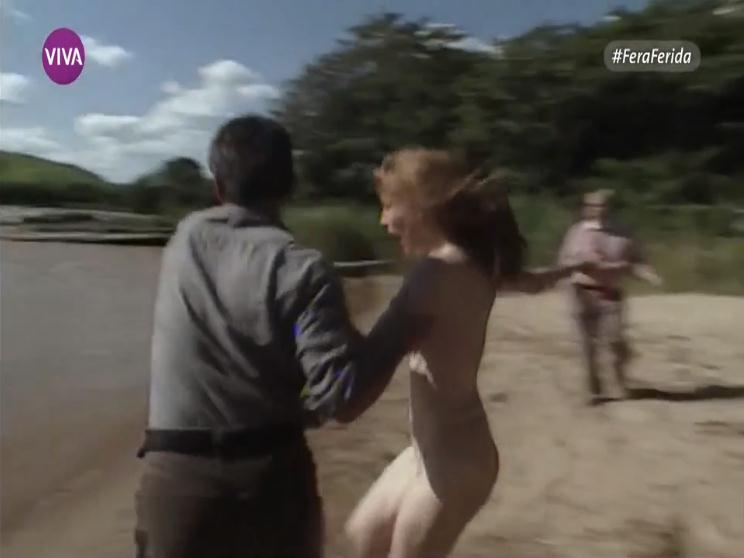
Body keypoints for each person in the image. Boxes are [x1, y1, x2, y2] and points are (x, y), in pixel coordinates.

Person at [134, 115, 427, 558]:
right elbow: (342, 398)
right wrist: (396, 328)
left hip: (175, 482)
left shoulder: (184, 239)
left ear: (218, 186)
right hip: (269, 484)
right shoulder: (302, 270)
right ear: (290, 186)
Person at [344, 148, 593, 558]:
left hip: (455, 463)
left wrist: (304, 320)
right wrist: (574, 267)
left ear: (421, 206)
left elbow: (366, 365)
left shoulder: (433, 277)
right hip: (425, 453)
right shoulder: (473, 263)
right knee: (362, 537)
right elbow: (528, 281)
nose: (383, 220)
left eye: (389, 205)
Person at [557, 189, 663, 404]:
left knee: (615, 340)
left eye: (601, 205)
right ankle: (593, 389)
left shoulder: (623, 232)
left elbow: (638, 261)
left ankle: (619, 377)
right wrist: (578, 265)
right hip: (581, 291)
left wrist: (650, 276)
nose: (596, 209)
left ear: (609, 207)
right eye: (592, 205)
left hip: (610, 293)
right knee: (587, 345)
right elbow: (563, 262)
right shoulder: (576, 232)